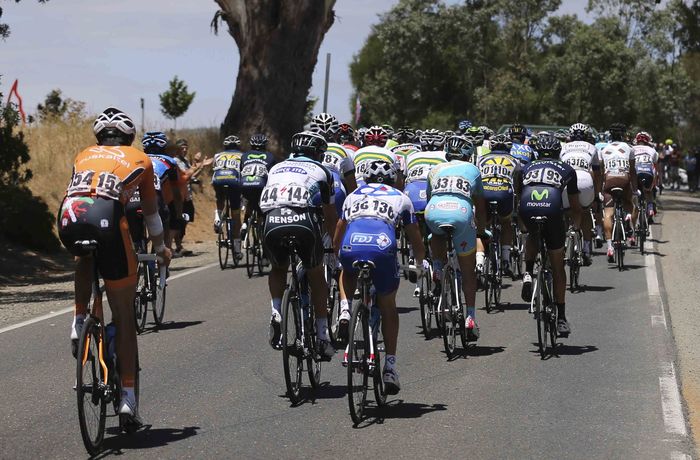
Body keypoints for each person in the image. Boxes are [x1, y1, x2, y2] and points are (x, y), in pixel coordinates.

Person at [58, 107, 171, 421]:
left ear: (99, 137)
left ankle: (79, 320)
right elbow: (151, 215)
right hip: (108, 219)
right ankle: (128, 397)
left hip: (69, 217)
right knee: (123, 316)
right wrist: (160, 249)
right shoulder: (141, 159)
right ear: (129, 137)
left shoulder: (83, 154)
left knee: (84, 253)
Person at [334, 159, 426, 395]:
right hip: (382, 248)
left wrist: (336, 255)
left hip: (352, 245)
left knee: (347, 270)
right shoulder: (401, 197)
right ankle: (390, 367)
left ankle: (345, 310)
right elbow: (415, 238)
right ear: (393, 179)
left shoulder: (353, 195)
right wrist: (418, 264)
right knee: (388, 306)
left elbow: (339, 230)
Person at [262, 131, 338, 360]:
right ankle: (323, 335)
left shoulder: (275, 167)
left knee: (277, 268)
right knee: (316, 273)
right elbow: (330, 213)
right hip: (303, 221)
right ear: (318, 153)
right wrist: (334, 247)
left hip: (271, 219)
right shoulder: (323, 171)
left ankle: (276, 311)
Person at [519, 133, 581, 336]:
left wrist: (520, 223)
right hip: (553, 210)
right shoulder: (567, 169)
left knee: (531, 234)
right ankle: (561, 317)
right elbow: (574, 205)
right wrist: (576, 226)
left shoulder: (525, 167)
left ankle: (527, 272)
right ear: (558, 153)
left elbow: (517, 196)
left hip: (527, 206)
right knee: (557, 266)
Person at [425, 135, 486, 340]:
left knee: (436, 231)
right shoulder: (474, 170)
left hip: (433, 210)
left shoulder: (434, 170)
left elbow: (429, 197)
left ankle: (437, 268)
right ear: (469, 156)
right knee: (468, 272)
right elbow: (481, 204)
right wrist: (480, 231)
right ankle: (470, 317)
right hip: (461, 212)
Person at [405, 129, 447, 296]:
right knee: (438, 233)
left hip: (412, 192)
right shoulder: (445, 156)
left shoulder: (412, 156)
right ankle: (437, 266)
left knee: (411, 225)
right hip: (432, 193)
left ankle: (411, 253)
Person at [475, 134, 521, 276]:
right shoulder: (515, 160)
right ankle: (506, 259)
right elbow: (517, 184)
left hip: (485, 191)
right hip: (504, 192)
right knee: (506, 222)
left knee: (481, 227)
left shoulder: (481, 159)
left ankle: (479, 261)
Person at [559, 123, 600, 265]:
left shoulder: (563, 147)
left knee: (564, 213)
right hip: (585, 180)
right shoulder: (592, 147)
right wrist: (596, 195)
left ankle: (562, 246)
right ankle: (587, 250)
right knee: (585, 211)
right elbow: (596, 172)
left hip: (566, 180)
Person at [141, 131, 185, 252]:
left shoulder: (137, 158)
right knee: (164, 218)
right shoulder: (170, 161)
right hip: (154, 202)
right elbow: (176, 192)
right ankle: (161, 257)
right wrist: (179, 213)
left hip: (133, 201)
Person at [599, 123, 636, 261]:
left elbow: (602, 172)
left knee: (608, 214)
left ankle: (609, 247)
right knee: (629, 203)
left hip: (609, 180)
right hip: (624, 179)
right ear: (623, 135)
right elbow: (632, 171)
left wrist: (601, 189)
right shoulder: (629, 148)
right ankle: (627, 217)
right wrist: (635, 188)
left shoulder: (603, 149)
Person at [310, 112, 357, 218]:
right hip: (336, 190)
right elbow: (352, 185)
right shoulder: (342, 149)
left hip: (311, 189)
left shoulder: (307, 149)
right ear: (336, 133)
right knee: (337, 227)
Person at [173, 138, 212, 256]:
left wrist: (201, 167)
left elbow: (192, 175)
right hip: (179, 196)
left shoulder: (184, 161)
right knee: (179, 221)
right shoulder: (176, 161)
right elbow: (186, 175)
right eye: (182, 148)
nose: (184, 150)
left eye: (186, 147)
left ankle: (179, 245)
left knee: (185, 219)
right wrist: (198, 165)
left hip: (187, 195)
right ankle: (178, 246)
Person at [239, 133, 276, 243]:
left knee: (250, 200)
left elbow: (241, 171)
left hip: (245, 185)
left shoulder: (244, 156)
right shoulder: (270, 156)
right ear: (265, 145)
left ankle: (245, 223)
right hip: (261, 185)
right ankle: (261, 229)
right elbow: (273, 175)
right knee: (261, 207)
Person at [212, 135, 244, 259]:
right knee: (236, 215)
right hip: (234, 182)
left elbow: (213, 168)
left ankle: (218, 217)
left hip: (218, 180)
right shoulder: (241, 156)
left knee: (219, 199)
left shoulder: (217, 155)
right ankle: (236, 250)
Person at [631, 131, 659, 225]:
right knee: (649, 191)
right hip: (648, 174)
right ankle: (650, 208)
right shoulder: (652, 150)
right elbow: (655, 167)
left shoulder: (631, 148)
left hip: (636, 173)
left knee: (633, 193)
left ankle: (633, 211)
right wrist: (655, 183)